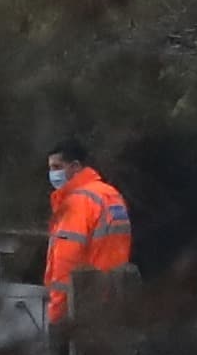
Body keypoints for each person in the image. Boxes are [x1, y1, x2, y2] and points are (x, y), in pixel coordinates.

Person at [43, 140, 132, 326]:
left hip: (83, 306)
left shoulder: (77, 202)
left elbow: (65, 263)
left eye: (57, 167)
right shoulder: (110, 194)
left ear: (75, 166)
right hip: (114, 297)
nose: (53, 174)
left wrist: (53, 319)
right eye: (51, 168)